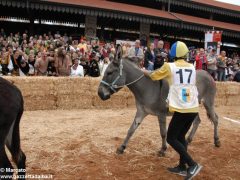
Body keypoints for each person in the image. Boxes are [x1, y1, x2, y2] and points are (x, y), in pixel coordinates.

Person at [142, 41, 202, 180]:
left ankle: (192, 164)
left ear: (173, 54)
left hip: (182, 108)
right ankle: (182, 166)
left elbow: (153, 76)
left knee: (171, 138)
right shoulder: (192, 67)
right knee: (181, 137)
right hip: (192, 107)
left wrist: (142, 71)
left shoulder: (169, 66)